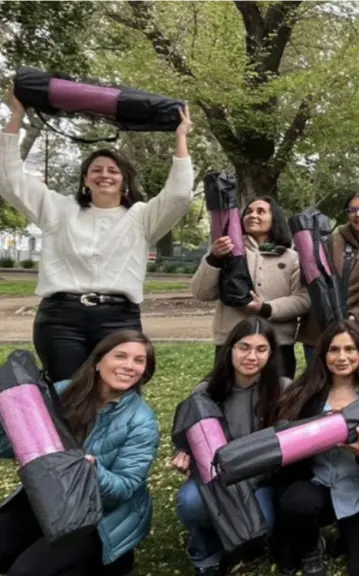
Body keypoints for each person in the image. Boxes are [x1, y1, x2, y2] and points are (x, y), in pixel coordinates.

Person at [1, 89, 194, 383]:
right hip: (61, 319)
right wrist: (16, 116)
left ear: (124, 180)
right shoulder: (57, 208)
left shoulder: (142, 217)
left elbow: (179, 196)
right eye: (96, 169)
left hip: (118, 318)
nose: (105, 174)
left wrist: (181, 137)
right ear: (85, 179)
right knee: (67, 394)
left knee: (119, 394)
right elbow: (10, 181)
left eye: (113, 170)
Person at [0, 331, 159, 575]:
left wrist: (91, 470)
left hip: (99, 517)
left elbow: (124, 487)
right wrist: (10, 423)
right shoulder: (64, 391)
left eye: (139, 361)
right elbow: (12, 447)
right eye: (120, 356)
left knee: (25, 572)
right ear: (98, 362)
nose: (129, 366)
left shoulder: (141, 420)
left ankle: (113, 560)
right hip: (48, 498)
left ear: (145, 372)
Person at [271, 320, 359, 576]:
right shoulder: (303, 396)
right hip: (316, 487)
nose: (342, 357)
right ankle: (310, 545)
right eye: (334, 350)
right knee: (297, 503)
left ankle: (347, 538)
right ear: (322, 354)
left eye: (350, 349)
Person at [171, 317, 287, 575]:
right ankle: (205, 553)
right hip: (216, 481)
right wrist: (183, 453)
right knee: (191, 503)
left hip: (262, 479)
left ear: (271, 353)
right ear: (231, 349)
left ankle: (236, 541)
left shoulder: (282, 389)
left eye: (261, 349)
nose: (251, 356)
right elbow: (189, 435)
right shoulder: (206, 390)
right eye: (244, 347)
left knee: (261, 522)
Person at [190, 196, 310, 378]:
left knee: (277, 402)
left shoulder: (291, 258)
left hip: (278, 343)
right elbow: (201, 293)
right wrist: (214, 258)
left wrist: (266, 308)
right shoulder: (225, 250)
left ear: (275, 218)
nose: (252, 215)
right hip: (232, 341)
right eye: (248, 212)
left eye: (261, 211)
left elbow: (302, 299)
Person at [297, 192, 359, 364]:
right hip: (318, 333)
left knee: (353, 388)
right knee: (317, 387)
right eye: (352, 210)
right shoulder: (330, 240)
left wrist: (355, 318)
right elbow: (310, 279)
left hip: (358, 332)